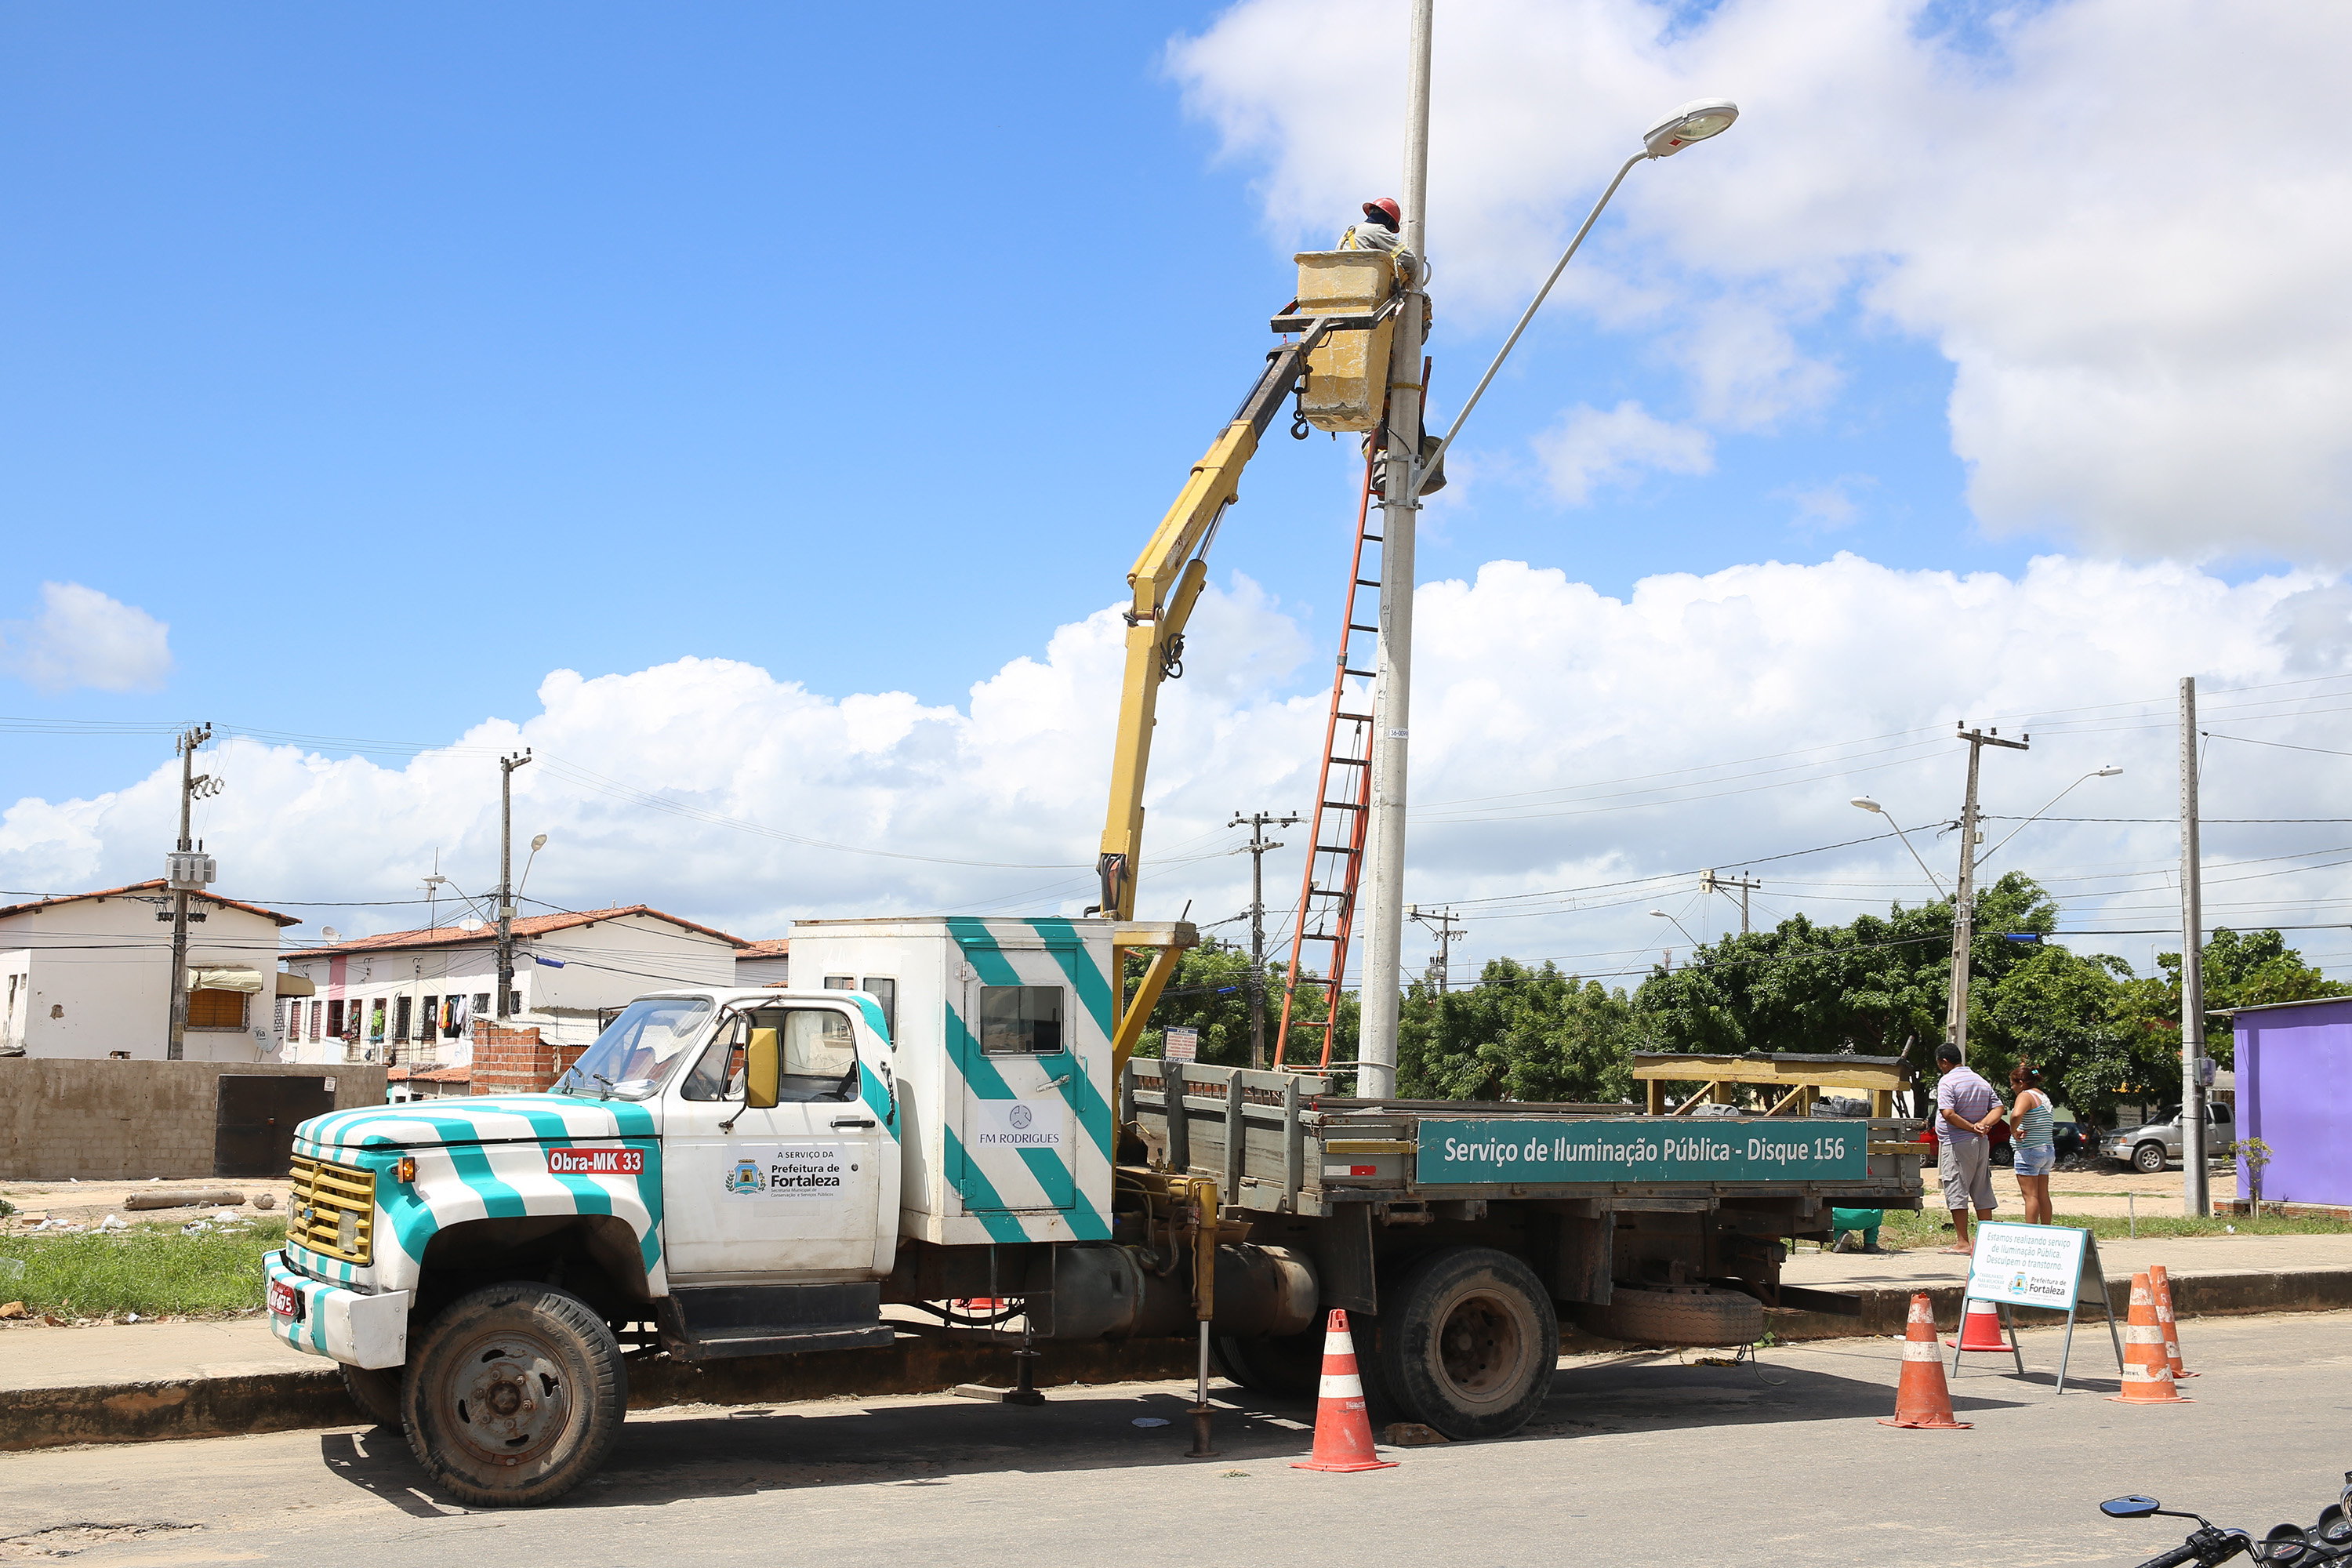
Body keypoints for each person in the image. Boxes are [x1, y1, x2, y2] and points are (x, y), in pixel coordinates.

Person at [1933, 1042, 2001, 1254]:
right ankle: (1985, 1242)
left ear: (1944, 1062)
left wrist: (1972, 1127)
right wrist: (1984, 1125)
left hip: (1957, 1142)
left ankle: (1962, 1242)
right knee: (1981, 1190)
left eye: (1939, 1064)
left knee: (1956, 1189)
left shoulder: (1947, 1081)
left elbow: (1948, 1114)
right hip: (1981, 1143)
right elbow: (1999, 1107)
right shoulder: (1980, 1080)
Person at [2009, 1063, 2056, 1225]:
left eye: (2013, 1083)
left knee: (2030, 1196)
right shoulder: (2043, 1096)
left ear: (2021, 1083)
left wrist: (2013, 1131)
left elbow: (2016, 1115)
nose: (2012, 1087)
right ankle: (2046, 1229)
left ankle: (2031, 1233)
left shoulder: (2025, 1095)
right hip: (2047, 1149)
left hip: (2029, 1150)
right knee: (2043, 1195)